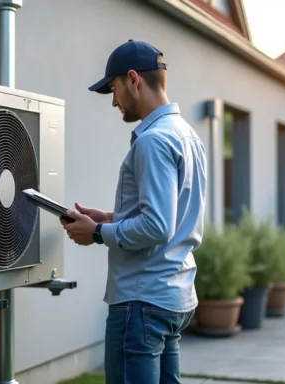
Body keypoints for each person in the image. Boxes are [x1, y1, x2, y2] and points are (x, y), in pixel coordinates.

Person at [61, 39, 208, 384]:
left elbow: (157, 226)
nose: (113, 101)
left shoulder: (153, 140)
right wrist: (110, 218)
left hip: (142, 302)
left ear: (133, 79)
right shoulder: (187, 135)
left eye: (113, 89)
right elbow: (171, 213)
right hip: (172, 298)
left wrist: (97, 233)